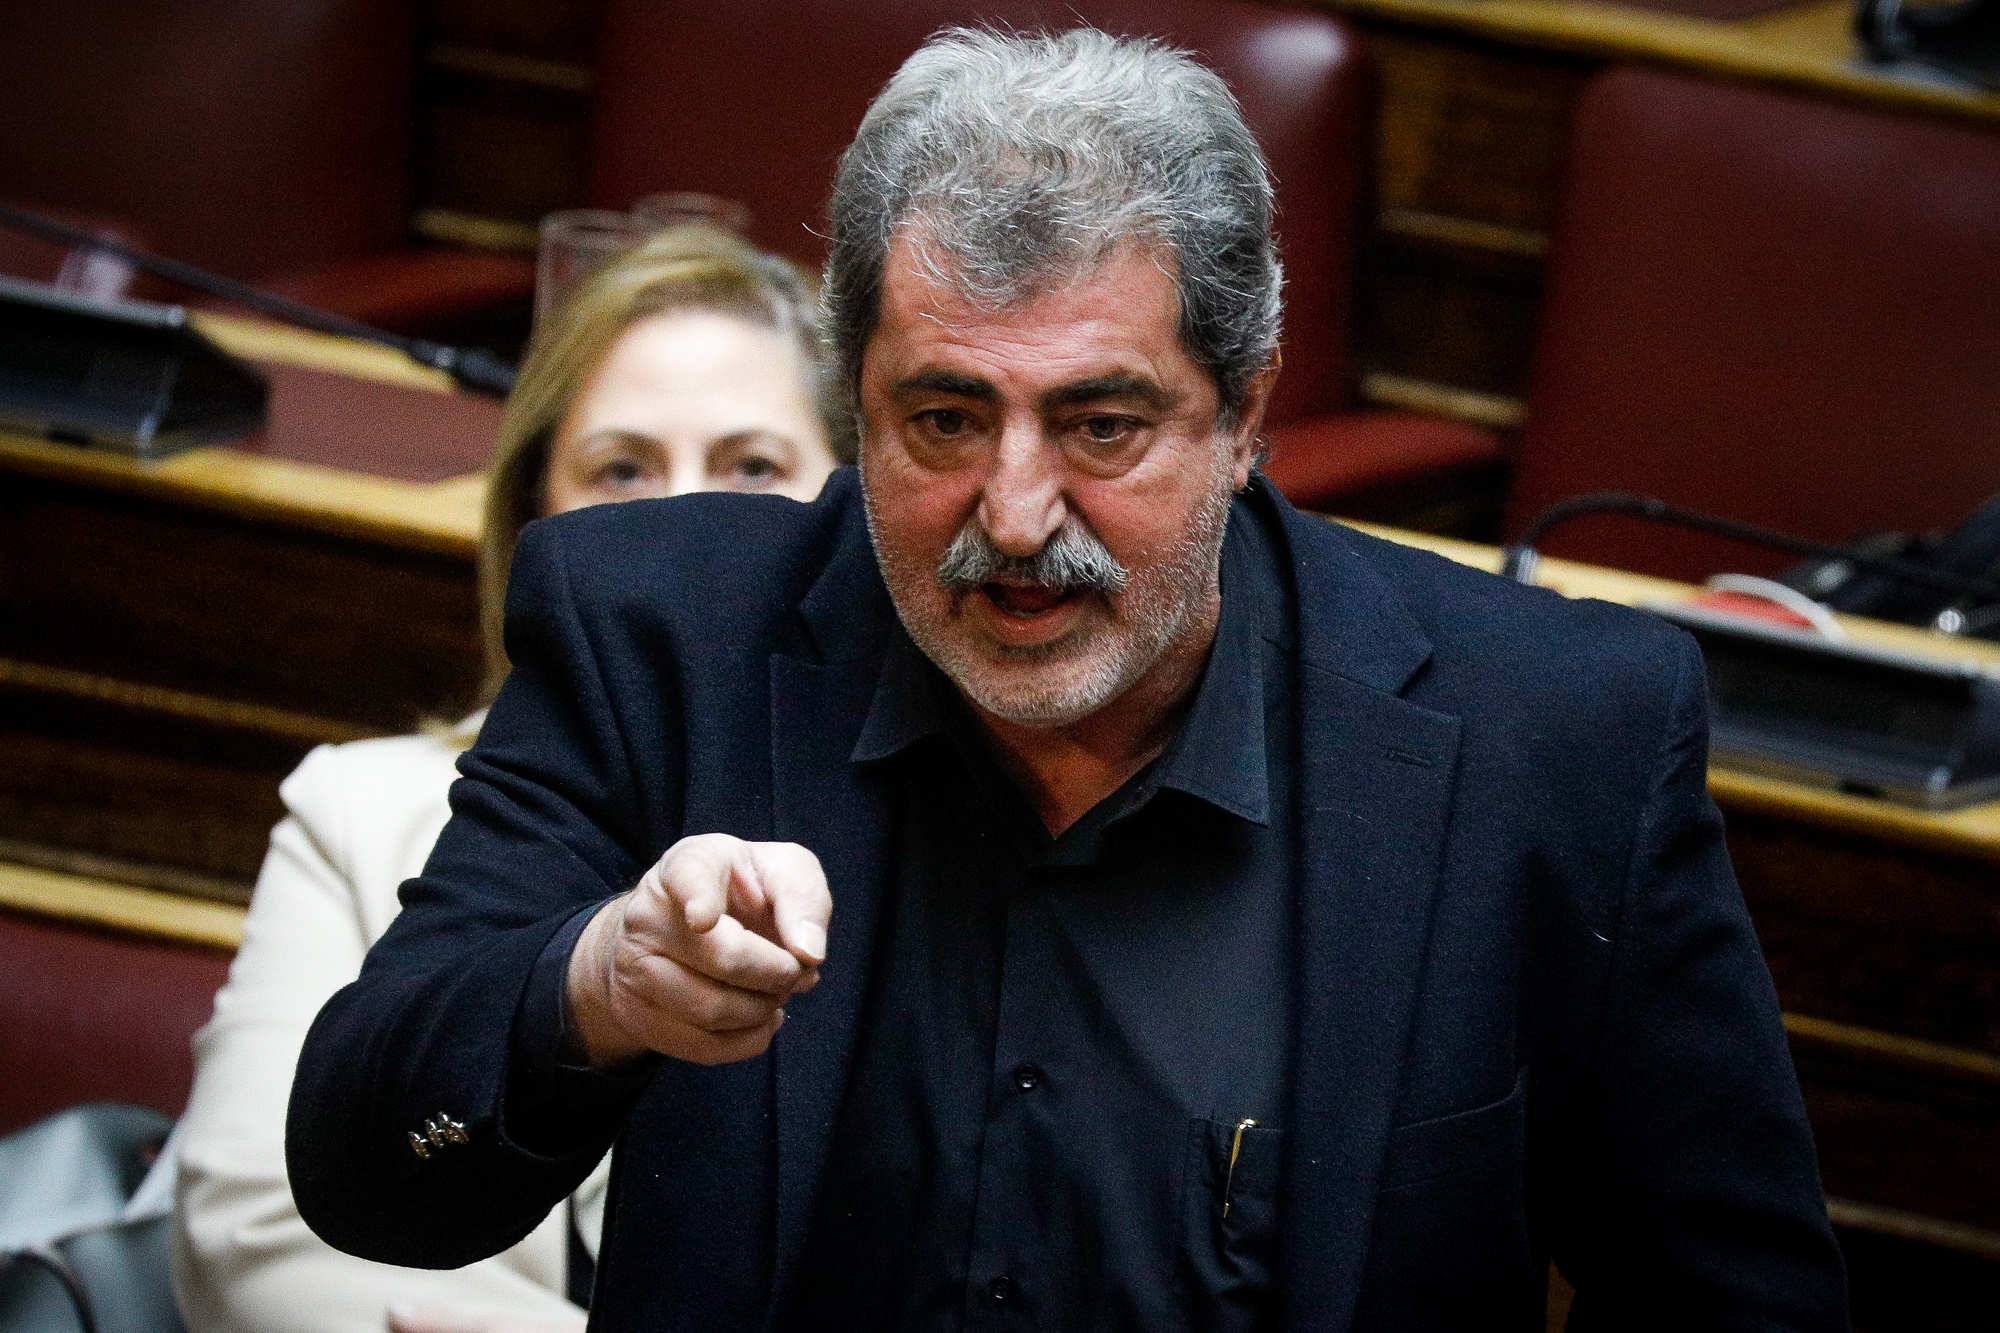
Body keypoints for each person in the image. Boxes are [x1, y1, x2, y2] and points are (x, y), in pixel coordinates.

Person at [287, 29, 1848, 1331]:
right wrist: (599, 987)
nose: (1018, 517)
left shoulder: (1546, 735)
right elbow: (368, 1173)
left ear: (1246, 415)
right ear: (856, 404)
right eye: (945, 421)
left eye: (1102, 425)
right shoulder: (662, 638)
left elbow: (1740, 1301)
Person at [171, 224, 849, 1333]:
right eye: (622, 469)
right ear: (534, 513)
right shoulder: (356, 809)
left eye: (751, 469)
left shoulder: (899, 828)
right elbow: (249, 1235)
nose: (680, 522)